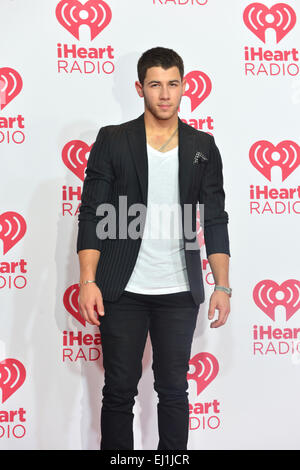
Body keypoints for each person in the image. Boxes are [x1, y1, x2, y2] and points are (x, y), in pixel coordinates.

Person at [76, 46, 231, 450]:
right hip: (121, 288)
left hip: (179, 291)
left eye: (173, 84)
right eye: (155, 84)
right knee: (119, 391)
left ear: (184, 87)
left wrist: (223, 286)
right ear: (140, 88)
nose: (165, 94)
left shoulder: (202, 146)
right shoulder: (113, 140)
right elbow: (91, 212)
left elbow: (214, 218)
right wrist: (87, 279)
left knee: (175, 392)